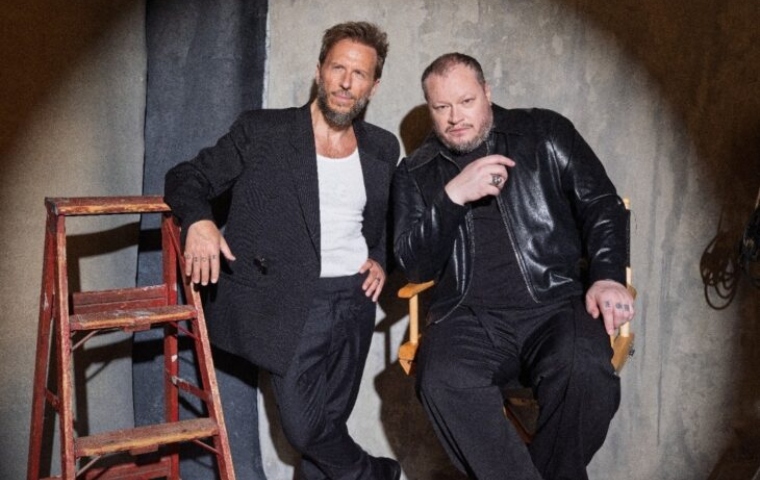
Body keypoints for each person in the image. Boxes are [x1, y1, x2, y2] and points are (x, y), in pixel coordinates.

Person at [164, 21, 401, 480]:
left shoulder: (381, 147)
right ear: (319, 70)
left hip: (355, 300)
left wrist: (381, 257)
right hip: (292, 303)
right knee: (305, 428)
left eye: (359, 74)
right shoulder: (263, 131)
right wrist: (199, 220)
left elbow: (389, 217)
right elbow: (186, 177)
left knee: (328, 428)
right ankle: (377, 474)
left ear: (374, 85)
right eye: (338, 68)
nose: (346, 83)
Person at [392, 52, 635, 480]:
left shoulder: (542, 132)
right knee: (440, 379)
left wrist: (607, 277)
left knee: (585, 370)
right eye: (441, 107)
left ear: (487, 93)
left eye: (466, 101)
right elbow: (414, 267)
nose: (455, 117)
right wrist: (452, 196)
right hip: (467, 316)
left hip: (556, 302)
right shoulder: (415, 171)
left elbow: (602, 205)